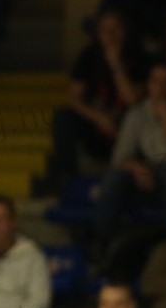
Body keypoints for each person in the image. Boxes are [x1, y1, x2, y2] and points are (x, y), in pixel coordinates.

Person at [93, 63, 166, 245]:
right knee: (114, 179)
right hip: (146, 173)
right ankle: (104, 245)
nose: (161, 88)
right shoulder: (137, 112)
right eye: (156, 81)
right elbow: (119, 158)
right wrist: (137, 168)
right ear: (149, 85)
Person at [50, 11, 145, 186]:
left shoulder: (139, 56)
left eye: (115, 28)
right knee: (63, 118)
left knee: (139, 119)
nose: (110, 34)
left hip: (128, 122)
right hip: (96, 119)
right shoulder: (88, 55)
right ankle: (68, 179)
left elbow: (131, 99)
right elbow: (74, 99)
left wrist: (115, 63)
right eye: (105, 30)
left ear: (125, 30)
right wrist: (100, 118)